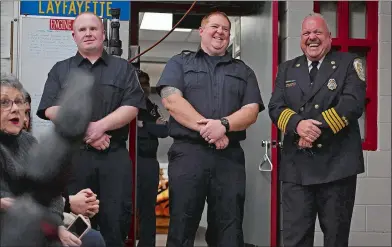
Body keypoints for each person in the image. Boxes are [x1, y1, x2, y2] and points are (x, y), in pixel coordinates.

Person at [36, 11, 146, 247]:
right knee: (76, 223)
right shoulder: (60, 70)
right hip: (74, 158)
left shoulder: (123, 69)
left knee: (116, 221)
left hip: (113, 158)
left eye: (93, 29)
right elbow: (49, 109)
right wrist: (85, 130)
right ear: (73, 35)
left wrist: (99, 127)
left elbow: (133, 106)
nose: (88, 34)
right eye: (82, 30)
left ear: (103, 34)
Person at [155, 11, 264, 247]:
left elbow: (252, 110)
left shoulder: (243, 71)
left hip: (229, 158)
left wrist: (223, 126)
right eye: (214, 26)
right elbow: (171, 100)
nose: (220, 32)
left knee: (229, 228)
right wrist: (210, 131)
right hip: (188, 155)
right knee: (182, 225)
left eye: (225, 28)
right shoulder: (180, 63)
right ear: (201, 31)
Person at [268, 13, 366, 247]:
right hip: (296, 170)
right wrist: (298, 126)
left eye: (317, 33)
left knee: (335, 239)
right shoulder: (287, 69)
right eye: (306, 33)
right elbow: (275, 107)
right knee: (295, 239)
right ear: (301, 39)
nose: (312, 37)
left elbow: (352, 105)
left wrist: (312, 131)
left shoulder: (348, 64)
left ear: (329, 37)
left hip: (337, 167)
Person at [0, 74, 105, 247]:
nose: (15, 109)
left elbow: (53, 195)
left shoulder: (29, 142)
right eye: (5, 102)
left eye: (19, 102)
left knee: (93, 239)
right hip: (12, 229)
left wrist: (55, 226)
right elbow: (9, 205)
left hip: (40, 223)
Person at [136, 70, 168, 247]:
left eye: (146, 84)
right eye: (141, 83)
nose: (144, 88)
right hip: (132, 160)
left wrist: (143, 125)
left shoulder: (151, 107)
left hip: (149, 162)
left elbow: (164, 130)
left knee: (148, 209)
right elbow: (129, 129)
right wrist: (150, 127)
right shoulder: (129, 105)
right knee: (126, 206)